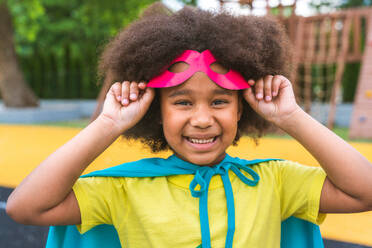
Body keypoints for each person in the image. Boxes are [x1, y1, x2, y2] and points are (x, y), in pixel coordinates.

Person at [6, 6, 372, 248]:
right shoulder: (122, 190)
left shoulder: (275, 182)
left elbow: (364, 192)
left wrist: (292, 117)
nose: (201, 118)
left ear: (242, 108)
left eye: (219, 101)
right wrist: (108, 124)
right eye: (182, 102)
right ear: (156, 112)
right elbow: (26, 208)